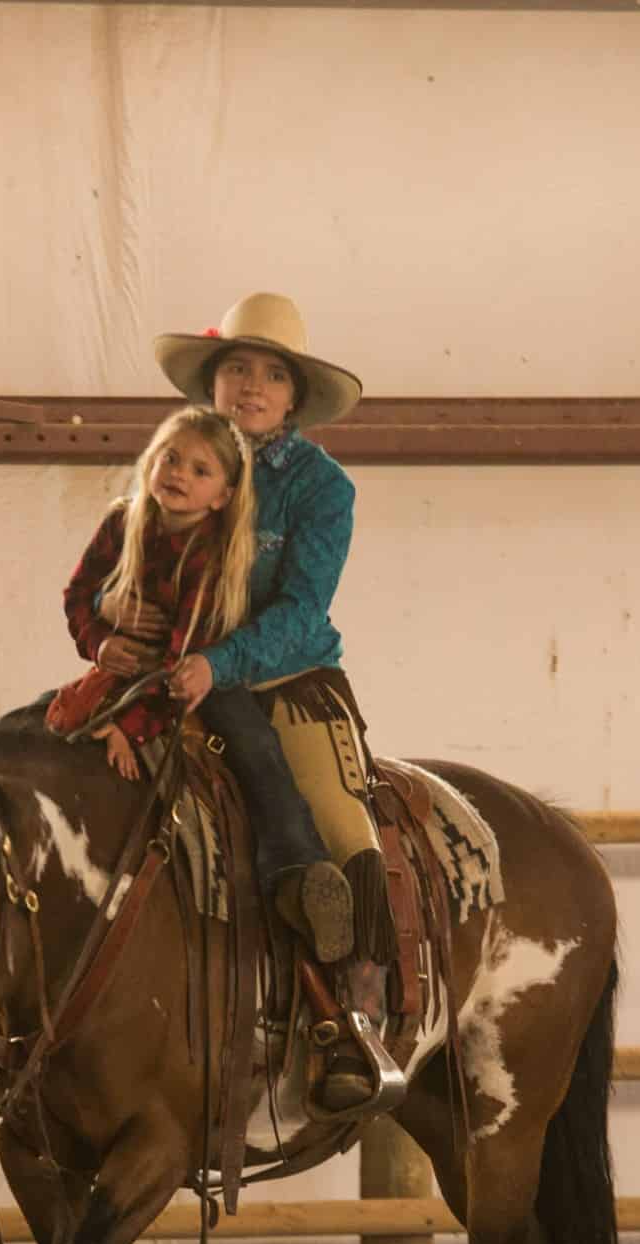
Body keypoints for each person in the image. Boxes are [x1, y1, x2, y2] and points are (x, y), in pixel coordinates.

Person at [127, 291, 387, 1116]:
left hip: (285, 682)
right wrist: (114, 629)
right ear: (212, 380)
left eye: (271, 374)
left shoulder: (322, 488)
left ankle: (352, 1020)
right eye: (237, 367)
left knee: (341, 827)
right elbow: (121, 568)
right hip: (175, 674)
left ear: (294, 396)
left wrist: (220, 661)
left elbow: (302, 612)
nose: (251, 385)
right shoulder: (174, 463)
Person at [48, 406, 259, 784]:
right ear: (152, 463)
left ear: (222, 497)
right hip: (117, 674)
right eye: (171, 459)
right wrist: (100, 644)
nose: (179, 474)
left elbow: (180, 665)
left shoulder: (210, 558)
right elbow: (79, 594)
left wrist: (128, 729)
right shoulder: (121, 523)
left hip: (174, 691)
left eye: (200, 470)